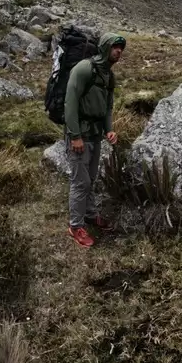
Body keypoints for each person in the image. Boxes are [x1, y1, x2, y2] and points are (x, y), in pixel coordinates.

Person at [64, 32, 126, 248]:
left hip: (95, 135)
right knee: (80, 181)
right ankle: (75, 225)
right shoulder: (84, 68)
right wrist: (75, 136)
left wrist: (109, 130)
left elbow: (108, 106)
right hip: (79, 135)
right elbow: (70, 102)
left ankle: (90, 215)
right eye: (115, 47)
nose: (118, 51)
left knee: (90, 177)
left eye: (121, 48)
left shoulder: (109, 75)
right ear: (104, 47)